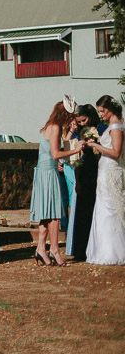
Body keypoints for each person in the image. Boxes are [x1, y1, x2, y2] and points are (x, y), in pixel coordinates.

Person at [31, 102, 82, 266]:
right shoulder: (55, 127)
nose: (72, 119)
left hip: (44, 172)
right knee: (54, 214)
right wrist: (76, 150)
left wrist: (71, 134)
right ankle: (53, 249)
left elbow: (57, 146)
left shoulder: (51, 126)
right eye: (71, 116)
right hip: (48, 173)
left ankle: (41, 248)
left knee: (47, 215)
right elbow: (55, 154)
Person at [84, 95, 125, 265]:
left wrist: (96, 146)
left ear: (111, 109)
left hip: (111, 173)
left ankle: (112, 252)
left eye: (102, 111)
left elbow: (115, 152)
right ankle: (103, 249)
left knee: (111, 210)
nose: (100, 114)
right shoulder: (112, 126)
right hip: (104, 173)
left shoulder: (116, 127)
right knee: (103, 209)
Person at [67, 104, 105, 260]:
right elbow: (73, 155)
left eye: (84, 120)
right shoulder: (78, 132)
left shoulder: (101, 129)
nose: (82, 123)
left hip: (99, 169)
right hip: (83, 172)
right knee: (83, 212)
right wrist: (77, 180)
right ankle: (81, 249)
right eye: (79, 121)